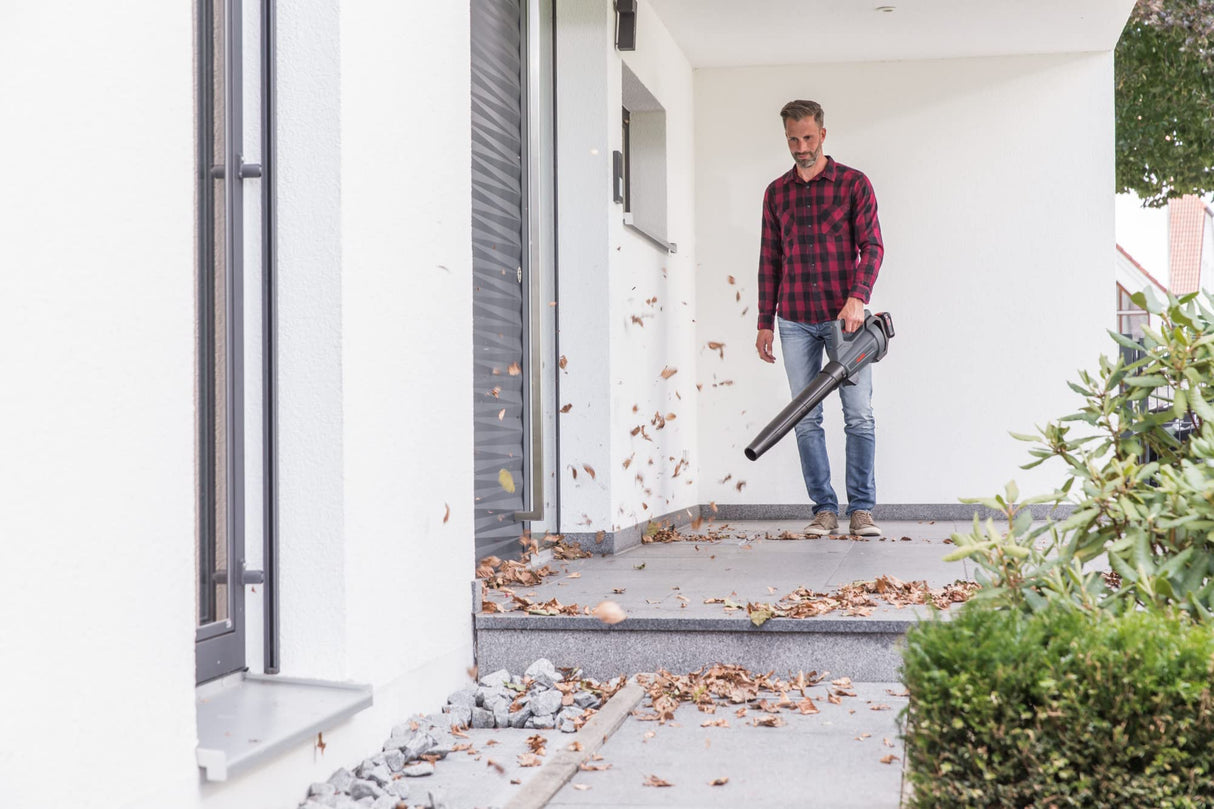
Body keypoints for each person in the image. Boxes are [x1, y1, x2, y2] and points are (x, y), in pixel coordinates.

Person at [755, 99, 885, 538]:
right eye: (793, 138)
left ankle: (862, 510)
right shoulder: (777, 193)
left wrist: (857, 297)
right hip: (793, 320)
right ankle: (824, 510)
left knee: (859, 415)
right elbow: (769, 261)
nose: (801, 146)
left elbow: (873, 246)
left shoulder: (853, 184)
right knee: (805, 418)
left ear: (823, 134)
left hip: (844, 322)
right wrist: (764, 322)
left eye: (808, 137)